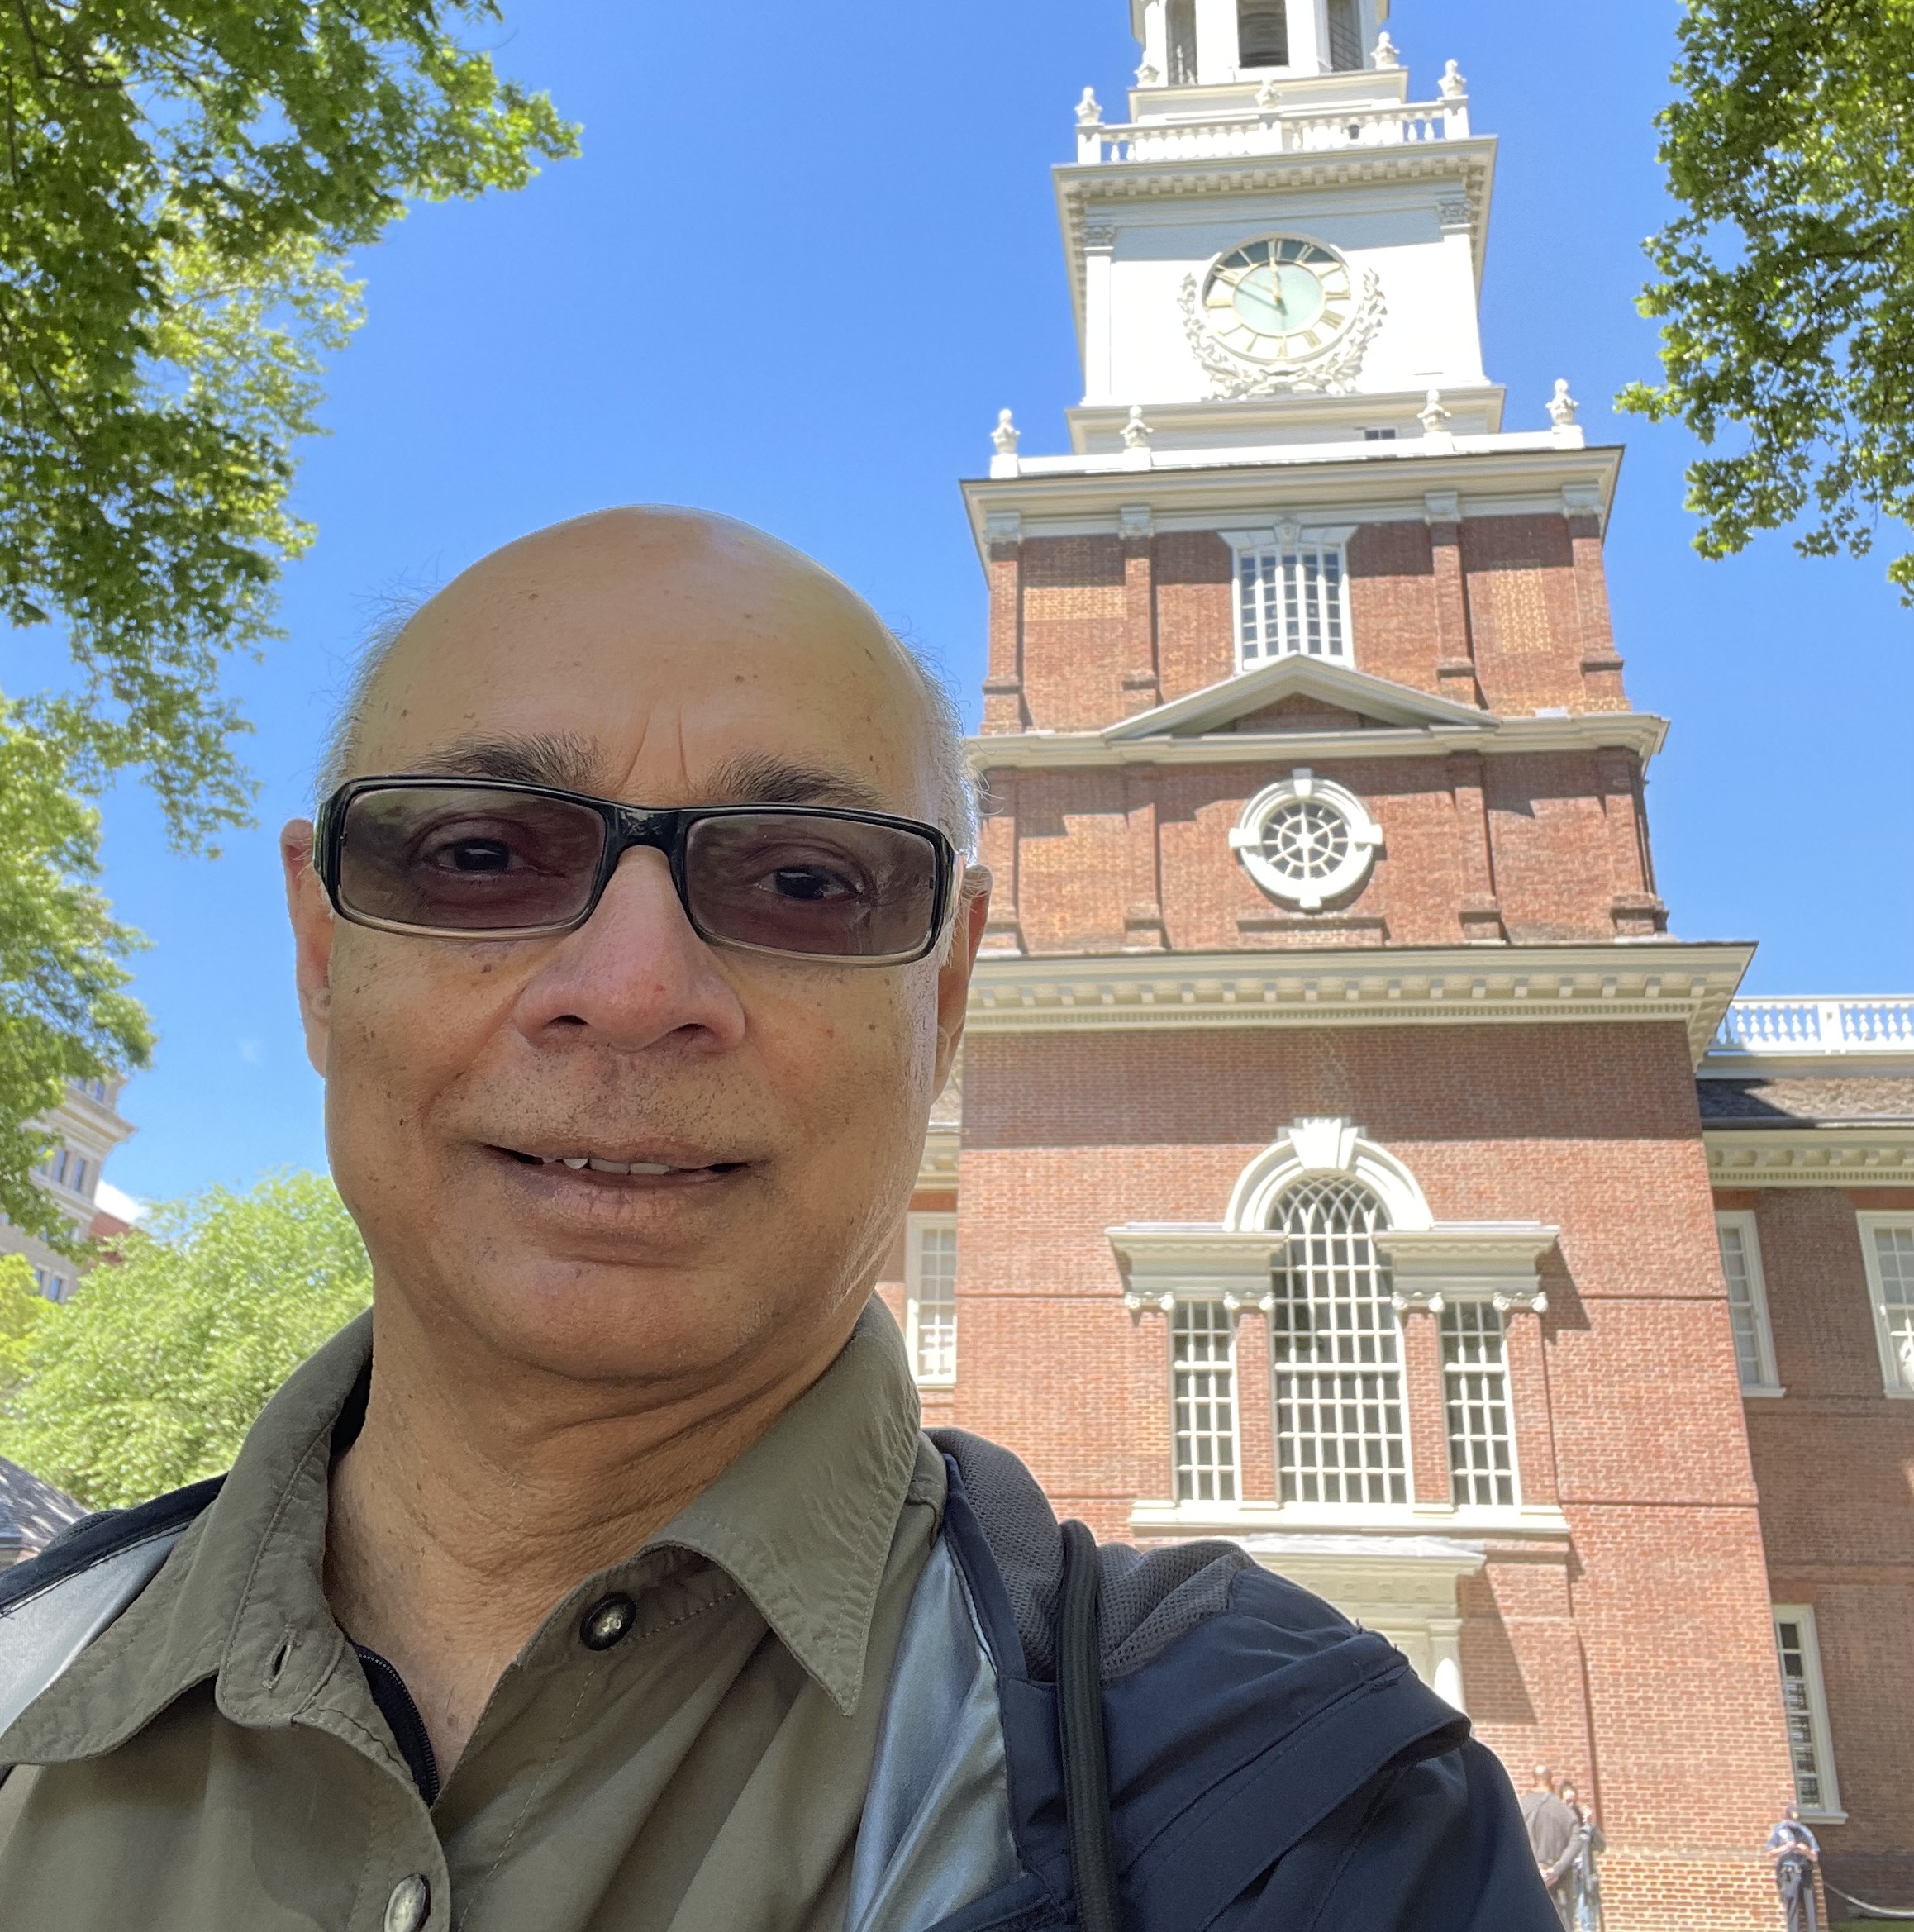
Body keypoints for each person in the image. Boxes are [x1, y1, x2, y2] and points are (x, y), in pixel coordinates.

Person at [0, 510, 1559, 1929]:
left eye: (808, 882)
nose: (630, 990)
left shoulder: (1305, 1814)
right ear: (320, 953)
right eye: (481, 853)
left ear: (942, 1001)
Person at [1520, 1760, 1582, 1925]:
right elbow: (1577, 1840)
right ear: (1551, 1781)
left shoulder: (1520, 1807)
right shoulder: (1564, 1810)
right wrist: (1557, 1869)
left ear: (1534, 1780)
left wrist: (1534, 1868)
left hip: (1529, 1880)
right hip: (1560, 1883)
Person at [1557, 1778, 1604, 1932]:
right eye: (1568, 1801)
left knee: (1587, 1920)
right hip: (1565, 1877)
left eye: (1574, 1801)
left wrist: (1589, 1824)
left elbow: (1601, 1846)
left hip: (1584, 1877)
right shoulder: (1557, 1822)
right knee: (1566, 1919)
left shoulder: (1583, 1823)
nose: (1571, 1805)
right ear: (1561, 1801)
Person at [1769, 1806, 1822, 1932]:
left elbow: (1814, 1857)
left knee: (1810, 1908)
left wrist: (1806, 1851)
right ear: (1786, 1818)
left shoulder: (1805, 1831)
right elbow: (1770, 1853)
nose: (1794, 1824)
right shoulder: (1778, 1830)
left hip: (1805, 1871)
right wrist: (1785, 1848)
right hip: (1789, 1873)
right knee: (1792, 1908)